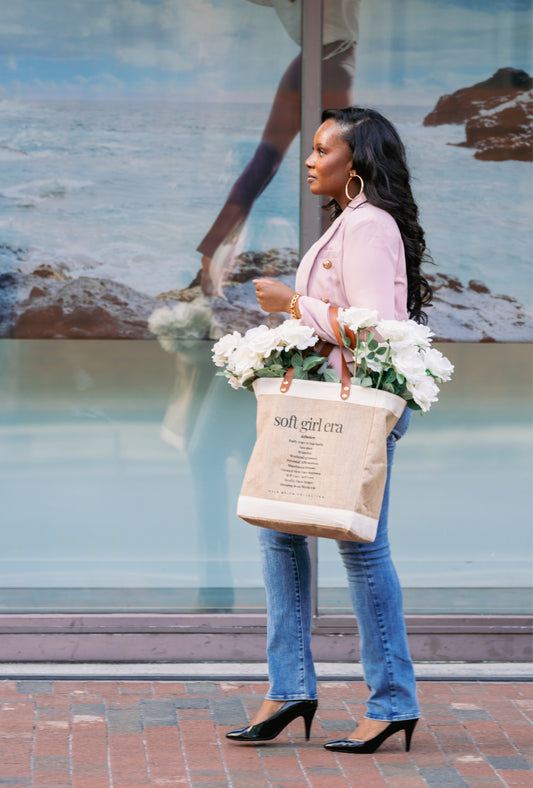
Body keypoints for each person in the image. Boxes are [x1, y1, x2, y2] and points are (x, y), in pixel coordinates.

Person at [225, 107, 433, 754]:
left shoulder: (368, 226)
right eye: (310, 149)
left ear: (355, 163)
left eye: (321, 150)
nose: (309, 160)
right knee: (279, 538)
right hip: (322, 408)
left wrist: (293, 305)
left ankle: (392, 701)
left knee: (363, 552)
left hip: (353, 414)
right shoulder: (351, 222)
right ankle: (288, 689)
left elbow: (375, 327)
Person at [197, 0, 361, 296]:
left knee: (267, 158)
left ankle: (212, 251)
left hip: (305, 64)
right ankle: (332, 274)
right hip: (334, 61)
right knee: (338, 172)